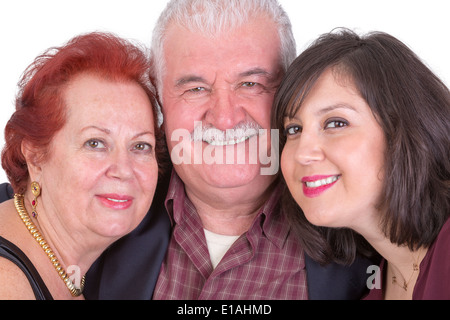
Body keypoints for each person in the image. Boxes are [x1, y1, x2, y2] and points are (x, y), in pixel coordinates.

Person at [85, 0, 373, 300]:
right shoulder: (105, 215)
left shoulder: (369, 237)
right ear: (158, 97)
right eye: (195, 89)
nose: (224, 119)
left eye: (250, 84)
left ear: (291, 89)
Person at [272, 28, 450, 300]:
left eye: (336, 123)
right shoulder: (371, 287)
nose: (302, 154)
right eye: (293, 129)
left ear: (403, 132)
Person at [0, 32, 166, 299]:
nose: (123, 170)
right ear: (35, 157)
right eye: (95, 143)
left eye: (140, 146)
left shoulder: (70, 268)